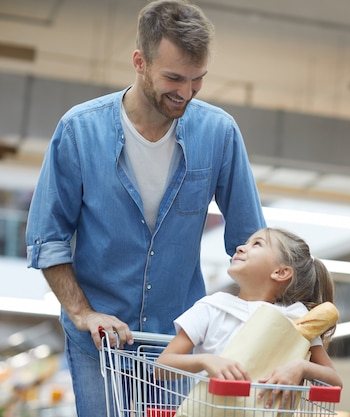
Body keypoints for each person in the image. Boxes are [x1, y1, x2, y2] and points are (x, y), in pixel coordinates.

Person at [24, 1, 265, 416]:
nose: (185, 93)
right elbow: (47, 239)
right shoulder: (80, 131)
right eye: (173, 78)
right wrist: (82, 313)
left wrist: (278, 320)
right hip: (97, 343)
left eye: (197, 80)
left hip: (177, 344)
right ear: (140, 61)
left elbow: (251, 240)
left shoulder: (218, 133)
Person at [156, 227, 343, 397]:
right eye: (245, 243)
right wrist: (206, 361)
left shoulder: (294, 320)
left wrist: (301, 367)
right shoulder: (211, 307)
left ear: (281, 272)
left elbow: (334, 381)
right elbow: (161, 367)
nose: (240, 247)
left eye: (257, 244)